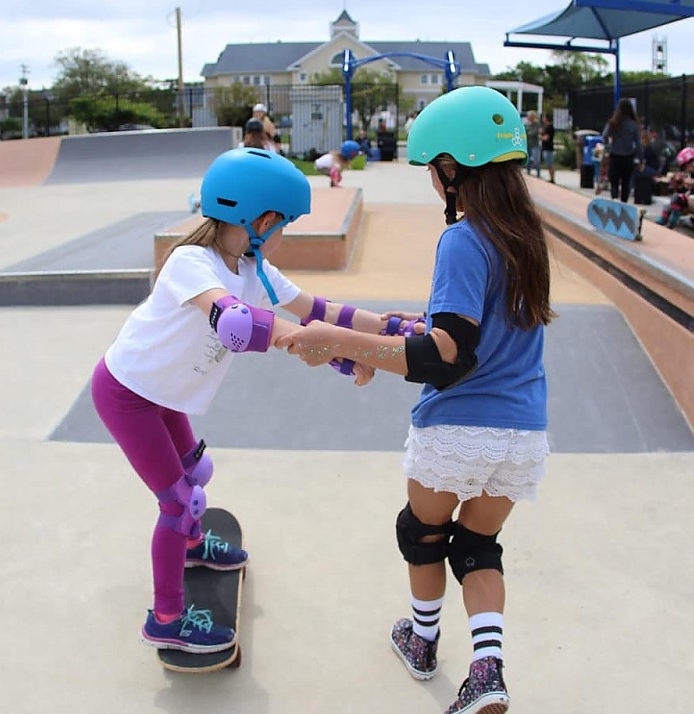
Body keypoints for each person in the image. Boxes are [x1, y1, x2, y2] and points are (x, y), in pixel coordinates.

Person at [276, 86, 553, 714]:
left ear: (453, 168)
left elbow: (448, 355)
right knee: (478, 547)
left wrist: (338, 340)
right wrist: (410, 325)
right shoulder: (528, 240)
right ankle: (488, 670)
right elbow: (474, 331)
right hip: (524, 435)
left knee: (422, 534)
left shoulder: (463, 239)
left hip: (457, 430)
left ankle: (422, 644)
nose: (433, 180)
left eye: (433, 168)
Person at [93, 147, 423, 654]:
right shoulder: (190, 262)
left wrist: (386, 328)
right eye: (285, 224)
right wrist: (330, 348)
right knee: (178, 502)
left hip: (166, 396)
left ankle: (193, 546)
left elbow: (318, 307)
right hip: (128, 395)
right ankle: (166, 619)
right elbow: (235, 324)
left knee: (196, 477)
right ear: (263, 219)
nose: (284, 233)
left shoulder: (253, 267)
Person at [600, 98, 642, 202]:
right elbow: (638, 143)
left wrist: (609, 147)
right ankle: (624, 203)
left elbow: (604, 136)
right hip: (628, 157)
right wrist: (639, 157)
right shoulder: (633, 125)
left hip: (615, 155)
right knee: (626, 183)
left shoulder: (614, 123)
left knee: (614, 182)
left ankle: (614, 200)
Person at [539, 113, 556, 184]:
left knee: (550, 164)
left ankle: (552, 178)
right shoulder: (546, 127)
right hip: (546, 148)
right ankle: (551, 177)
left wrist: (539, 136)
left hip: (548, 148)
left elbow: (546, 138)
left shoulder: (549, 127)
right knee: (548, 164)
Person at [524, 110, 541, 178]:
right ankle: (528, 171)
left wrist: (528, 132)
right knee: (528, 159)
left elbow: (534, 133)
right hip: (528, 144)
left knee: (536, 159)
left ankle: (538, 172)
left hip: (534, 144)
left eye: (529, 116)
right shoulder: (527, 124)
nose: (527, 117)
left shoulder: (536, 124)